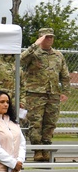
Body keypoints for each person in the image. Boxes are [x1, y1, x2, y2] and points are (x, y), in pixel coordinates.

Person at [22, 28, 70, 161]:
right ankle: (37, 150)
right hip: (35, 94)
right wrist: (34, 45)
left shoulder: (58, 55)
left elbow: (65, 75)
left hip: (53, 94)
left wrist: (65, 91)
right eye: (46, 37)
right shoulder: (33, 54)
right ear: (40, 38)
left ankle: (46, 149)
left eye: (51, 37)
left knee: (50, 123)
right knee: (36, 123)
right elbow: (20, 60)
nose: (50, 39)